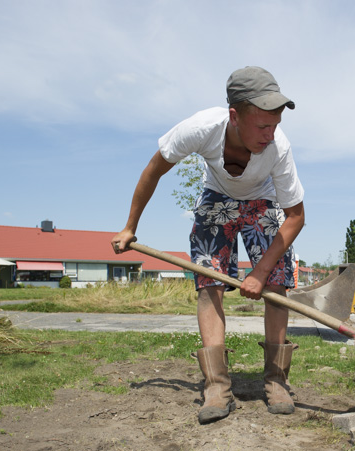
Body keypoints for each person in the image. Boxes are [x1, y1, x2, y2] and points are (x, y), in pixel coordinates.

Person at [111, 66, 305, 425]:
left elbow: (295, 216)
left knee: (277, 284)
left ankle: (276, 381)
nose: (270, 134)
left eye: (275, 125)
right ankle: (216, 385)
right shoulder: (201, 129)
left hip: (263, 202)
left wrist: (260, 274)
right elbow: (153, 171)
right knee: (209, 283)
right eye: (262, 126)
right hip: (217, 199)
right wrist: (129, 227)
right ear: (234, 115)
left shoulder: (279, 148)